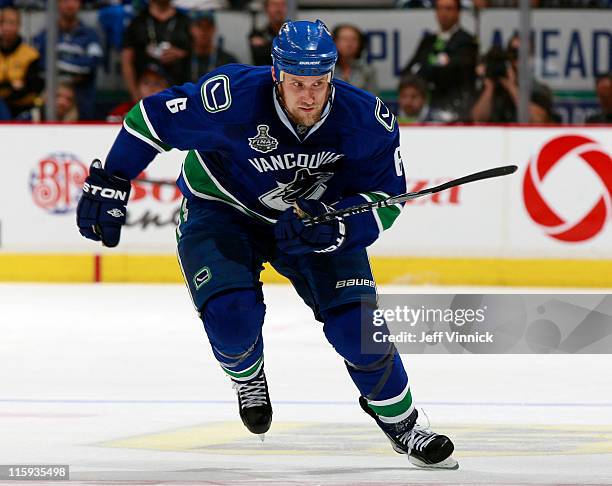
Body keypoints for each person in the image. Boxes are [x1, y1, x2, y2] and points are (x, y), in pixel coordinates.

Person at [75, 20, 458, 470]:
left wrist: (337, 229)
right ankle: (248, 374)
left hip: (313, 221)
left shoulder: (365, 119)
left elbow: (387, 200)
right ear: (276, 73)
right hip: (223, 210)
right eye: (298, 83)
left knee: (359, 333)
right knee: (232, 319)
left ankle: (405, 425)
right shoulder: (230, 96)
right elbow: (151, 120)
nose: (310, 96)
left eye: (319, 83)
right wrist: (114, 177)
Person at [401, 0, 477, 122]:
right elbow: (408, 70)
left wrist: (426, 69)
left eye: (448, 8)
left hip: (455, 109)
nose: (443, 13)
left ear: (458, 12)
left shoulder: (467, 42)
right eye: (440, 8)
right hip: (426, 108)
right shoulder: (428, 41)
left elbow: (454, 73)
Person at [34, 0, 103, 120]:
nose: (70, 4)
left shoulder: (90, 35)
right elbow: (40, 66)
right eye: (65, 0)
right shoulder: (44, 35)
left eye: (74, 1)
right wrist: (74, 69)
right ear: (57, 4)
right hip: (51, 92)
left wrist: (56, 65)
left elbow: (90, 65)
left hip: (81, 97)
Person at [471, 35, 557, 123]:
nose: (517, 59)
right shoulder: (493, 88)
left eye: (522, 54)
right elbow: (478, 119)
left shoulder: (538, 90)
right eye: (513, 52)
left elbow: (539, 120)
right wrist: (489, 87)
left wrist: (512, 87)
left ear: (530, 58)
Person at [121, 0, 191, 102]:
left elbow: (199, 53)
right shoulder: (137, 22)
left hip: (180, 90)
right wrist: (134, 93)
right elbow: (127, 61)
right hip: (144, 89)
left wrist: (181, 54)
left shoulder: (185, 21)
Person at [0, 6, 43, 118]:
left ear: (19, 26)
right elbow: (18, 86)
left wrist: (6, 89)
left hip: (23, 107)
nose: (7, 27)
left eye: (12, 23)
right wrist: (12, 85)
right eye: (3, 22)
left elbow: (32, 87)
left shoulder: (31, 54)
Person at [189, 10, 239, 81]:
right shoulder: (183, 59)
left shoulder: (228, 61)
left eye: (208, 27)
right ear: (192, 29)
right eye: (199, 26)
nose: (203, 31)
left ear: (214, 29)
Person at [332, 24, 377, 94]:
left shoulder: (367, 70)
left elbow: (373, 99)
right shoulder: (325, 69)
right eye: (345, 39)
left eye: (354, 39)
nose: (349, 44)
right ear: (334, 42)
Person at [248, 0, 286, 66]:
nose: (279, 9)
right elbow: (259, 56)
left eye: (282, 5)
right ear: (266, 9)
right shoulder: (257, 34)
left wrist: (266, 44)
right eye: (274, 5)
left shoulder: (293, 33)